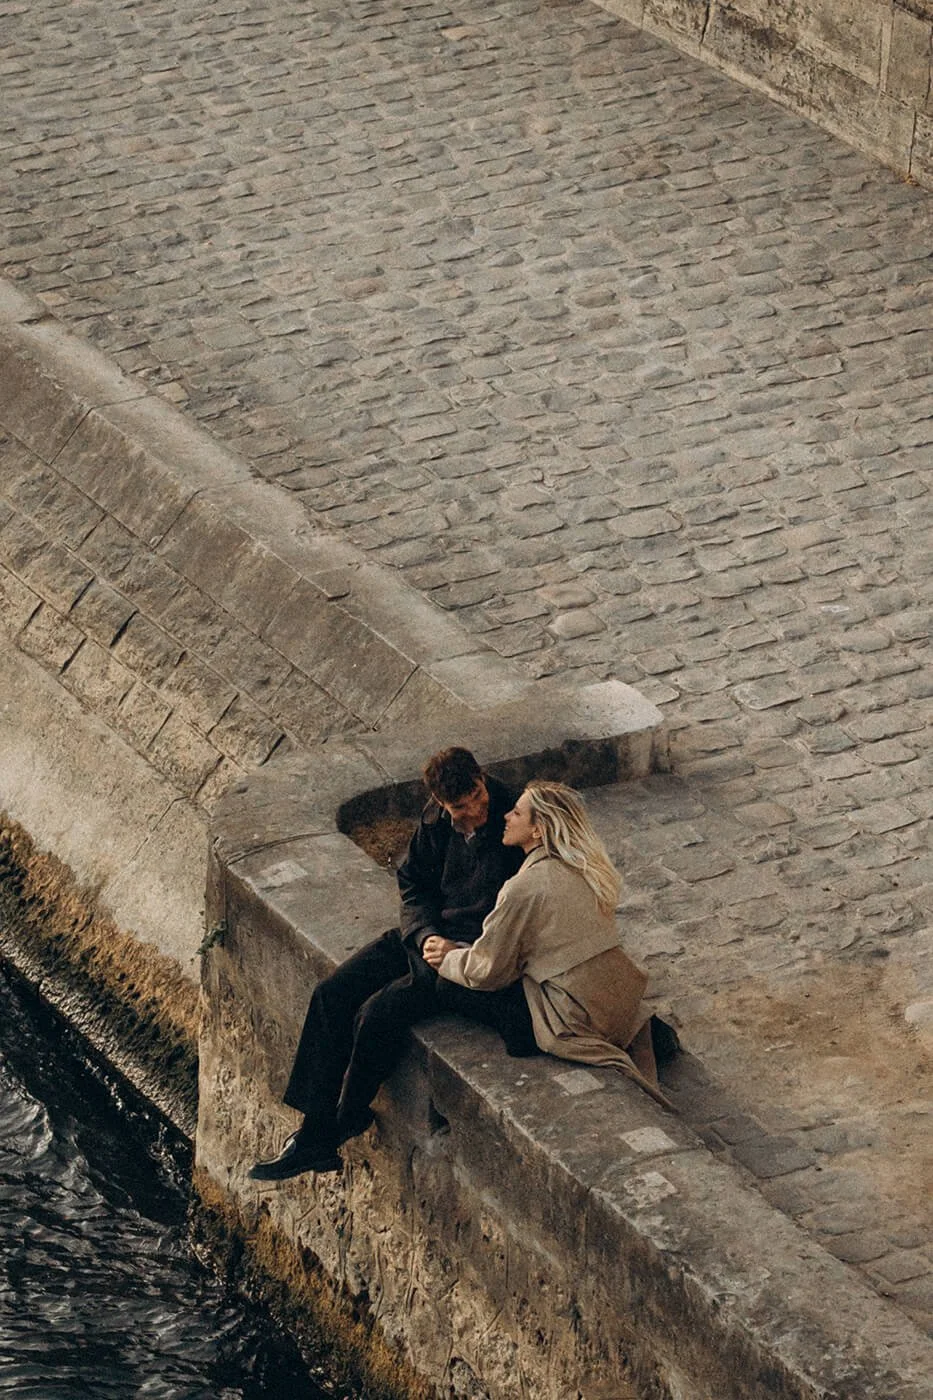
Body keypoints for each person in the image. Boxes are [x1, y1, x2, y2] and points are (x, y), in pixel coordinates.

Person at [249, 747, 536, 1182]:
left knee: (378, 1012)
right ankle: (315, 1130)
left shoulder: (515, 818)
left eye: (478, 796)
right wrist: (424, 935)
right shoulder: (437, 823)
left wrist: (457, 950)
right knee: (332, 994)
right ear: (442, 803)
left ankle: (336, 1125)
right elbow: (414, 885)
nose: (476, 810)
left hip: (473, 953)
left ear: (482, 777)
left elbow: (524, 907)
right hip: (430, 935)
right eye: (462, 806)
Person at [423, 780, 675, 1111]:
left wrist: (449, 957)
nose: (505, 817)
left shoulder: (523, 888)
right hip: (612, 995)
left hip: (572, 1013)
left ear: (538, 830)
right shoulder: (584, 866)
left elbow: (488, 970)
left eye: (516, 813)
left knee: (449, 987)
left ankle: (524, 1037)